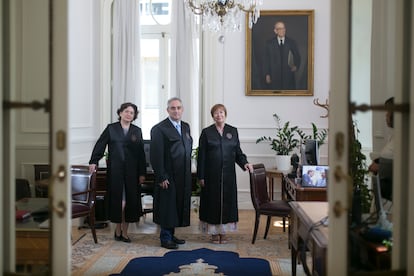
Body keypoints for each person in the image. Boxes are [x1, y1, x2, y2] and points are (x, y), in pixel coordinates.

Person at [89, 102, 146, 243]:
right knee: (119, 203)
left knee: (129, 203)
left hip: (132, 173)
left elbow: (141, 154)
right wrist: (93, 161)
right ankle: (117, 229)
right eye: (126, 111)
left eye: (132, 113)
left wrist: (142, 173)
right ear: (120, 113)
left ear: (134, 116)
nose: (128, 114)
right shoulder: (111, 129)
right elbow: (100, 145)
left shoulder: (137, 131)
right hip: (116, 172)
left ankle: (124, 232)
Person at [197, 104, 253, 244]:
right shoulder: (206, 132)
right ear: (213, 116)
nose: (219, 115)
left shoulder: (232, 131)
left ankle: (223, 232)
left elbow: (238, 152)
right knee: (212, 204)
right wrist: (201, 176)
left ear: (225, 114)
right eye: (216, 113)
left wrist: (245, 163)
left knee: (227, 203)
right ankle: (214, 234)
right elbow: (201, 156)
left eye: (221, 112)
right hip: (211, 175)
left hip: (228, 176)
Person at [150, 97, 193, 249]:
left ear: (182, 109)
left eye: (179, 108)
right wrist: (161, 176)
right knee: (168, 207)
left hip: (183, 175)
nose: (176, 111)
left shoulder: (186, 127)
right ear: (167, 110)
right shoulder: (159, 129)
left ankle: (172, 235)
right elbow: (155, 155)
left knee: (176, 206)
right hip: (168, 176)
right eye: (173, 108)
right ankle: (165, 238)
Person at [368, 97, 394, 200]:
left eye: (388, 112)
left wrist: (380, 167)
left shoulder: (405, 139)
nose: (386, 115)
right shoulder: (393, 136)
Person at [263, 21, 301, 90]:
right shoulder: (269, 44)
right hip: (274, 76)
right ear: (275, 31)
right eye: (280, 29)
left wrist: (296, 66)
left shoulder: (291, 42)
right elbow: (266, 60)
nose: (282, 30)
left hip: (288, 76)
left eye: (283, 28)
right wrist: (267, 74)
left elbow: (297, 57)